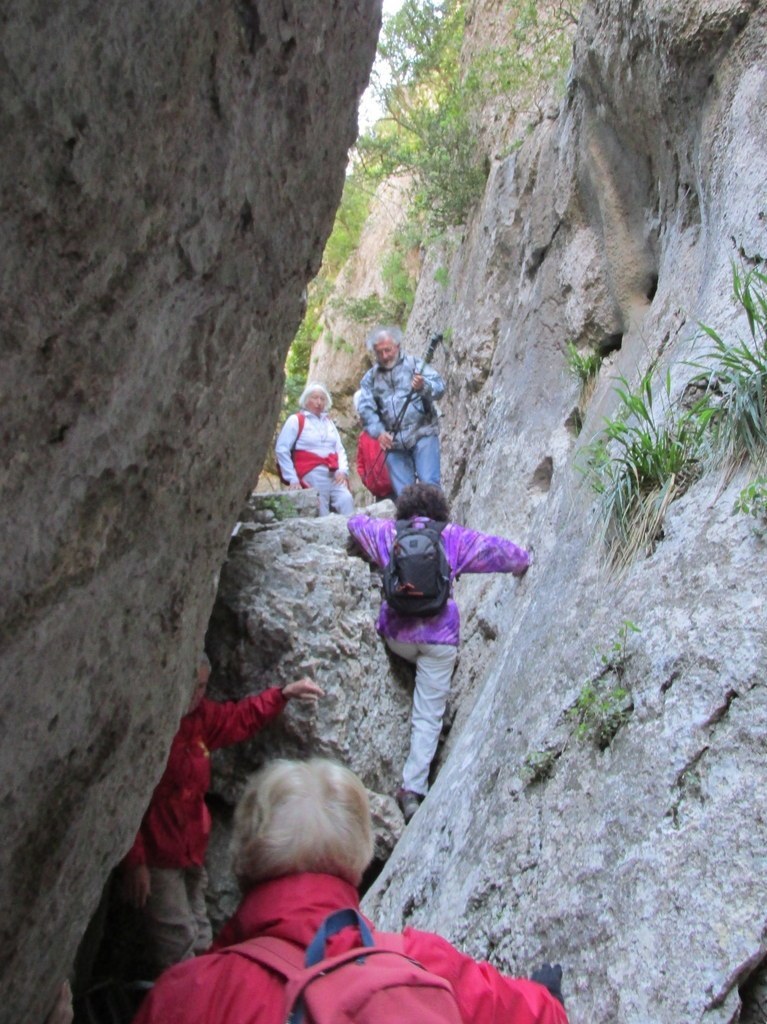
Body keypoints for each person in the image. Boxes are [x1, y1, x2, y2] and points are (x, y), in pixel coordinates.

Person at [131, 758, 568, 1024]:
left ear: (243, 860)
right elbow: (529, 1014)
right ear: (359, 858)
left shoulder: (185, 995)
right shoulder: (418, 962)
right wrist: (546, 996)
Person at [119, 654, 323, 974]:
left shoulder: (199, 719)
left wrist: (282, 694)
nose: (198, 693)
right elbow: (125, 795)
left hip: (190, 849)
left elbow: (239, 718)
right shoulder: (157, 728)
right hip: (158, 855)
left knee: (201, 934)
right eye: (194, 685)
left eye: (203, 686)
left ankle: (205, 998)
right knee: (178, 941)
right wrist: (136, 861)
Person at [347, 483, 530, 822]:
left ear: (405, 510)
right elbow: (497, 553)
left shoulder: (389, 533)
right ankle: (412, 789)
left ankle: (411, 672)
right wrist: (524, 560)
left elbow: (355, 525)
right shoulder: (450, 536)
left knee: (415, 664)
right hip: (438, 640)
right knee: (428, 713)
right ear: (440, 510)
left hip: (397, 636)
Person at [356, 326, 445, 496]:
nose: (384, 356)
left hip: (423, 433)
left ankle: (435, 522)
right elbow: (366, 409)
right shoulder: (370, 379)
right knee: (405, 495)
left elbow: (439, 388)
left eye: (387, 350)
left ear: (397, 346)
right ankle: (412, 522)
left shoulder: (414, 365)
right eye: (379, 352)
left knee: (430, 486)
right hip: (393, 443)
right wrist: (379, 432)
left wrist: (423, 386)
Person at [275, 381, 355, 516]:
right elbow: (282, 449)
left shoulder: (329, 423)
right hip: (311, 472)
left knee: (346, 499)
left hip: (332, 472)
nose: (319, 402)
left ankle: (351, 532)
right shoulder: (296, 420)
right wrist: (292, 478)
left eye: (322, 399)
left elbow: (339, 449)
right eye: (315, 398)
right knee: (320, 506)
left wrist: (343, 470)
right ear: (306, 400)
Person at [353, 389, 394, 501]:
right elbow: (360, 462)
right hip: (378, 490)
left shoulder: (389, 429)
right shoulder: (363, 436)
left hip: (396, 487)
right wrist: (366, 479)